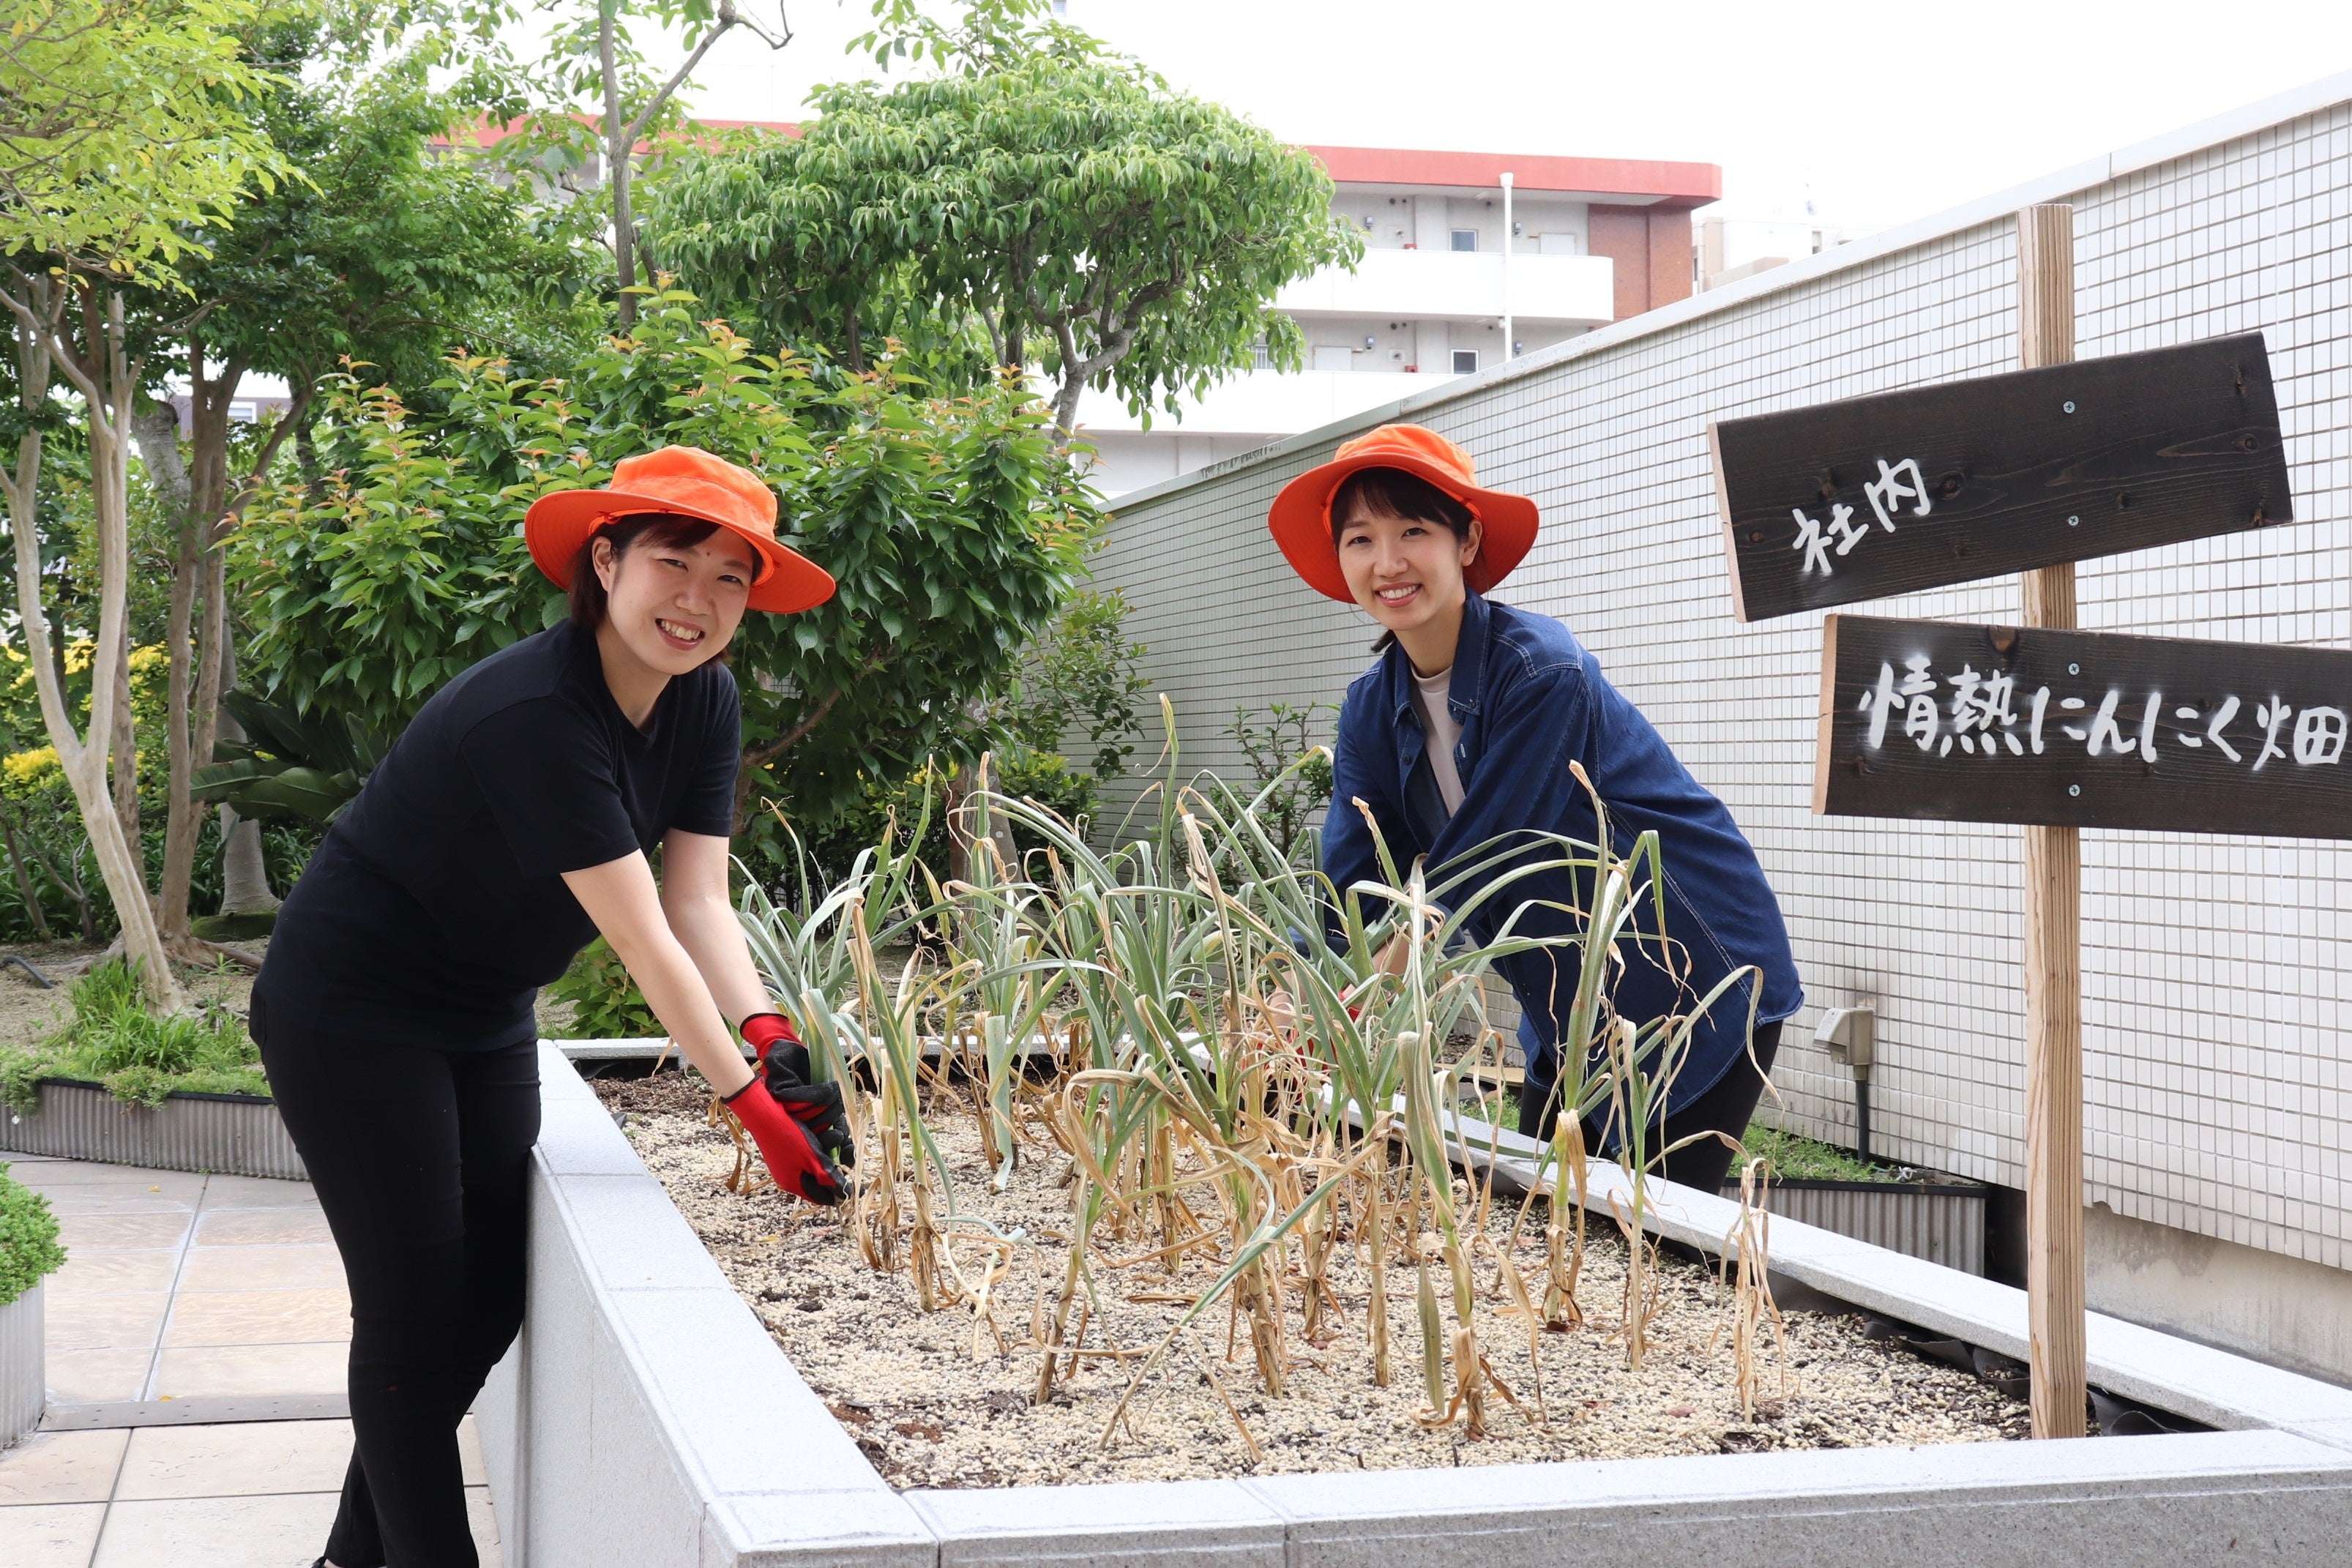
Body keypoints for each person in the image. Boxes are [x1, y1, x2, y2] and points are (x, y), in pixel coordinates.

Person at [252, 447, 855, 1568]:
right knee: (411, 1316)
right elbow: (639, 933)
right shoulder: (533, 710)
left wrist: (772, 1038)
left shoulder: (705, 698)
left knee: (487, 1302)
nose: (698, 599)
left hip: (484, 1008)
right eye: (674, 562)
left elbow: (698, 898)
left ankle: (350, 1553)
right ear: (607, 561)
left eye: (730, 577)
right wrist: (746, 1104)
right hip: (352, 1007)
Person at [1269, 423, 1802, 1191]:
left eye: (1413, 531)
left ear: (1466, 539)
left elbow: (1484, 858)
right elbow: (1351, 882)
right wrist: (1293, 993)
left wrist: (1358, 995)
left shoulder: (1543, 673)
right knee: (1547, 1223)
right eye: (1360, 539)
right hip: (1567, 1007)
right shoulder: (1370, 707)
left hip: (1694, 982)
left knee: (1643, 1236)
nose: (1387, 563)